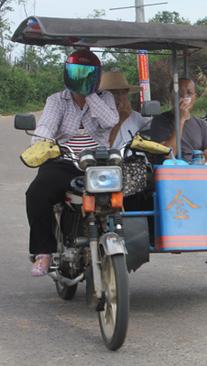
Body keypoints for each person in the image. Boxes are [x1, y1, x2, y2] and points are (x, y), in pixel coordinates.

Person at [26, 49, 118, 276]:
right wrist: (40, 141)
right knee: (36, 193)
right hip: (65, 160)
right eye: (77, 73)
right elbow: (46, 126)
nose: (81, 78)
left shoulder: (105, 97)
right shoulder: (57, 100)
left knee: (132, 191)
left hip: (98, 163)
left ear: (96, 76)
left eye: (87, 74)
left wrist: (89, 96)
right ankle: (44, 253)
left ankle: (118, 237)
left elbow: (110, 121)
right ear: (68, 74)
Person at [148, 78, 207, 162]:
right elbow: (168, 155)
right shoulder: (159, 121)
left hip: (196, 172)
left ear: (194, 97)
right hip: (170, 172)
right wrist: (181, 120)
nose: (185, 97)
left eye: (189, 93)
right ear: (171, 96)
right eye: (180, 94)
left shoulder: (201, 124)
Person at [99, 70, 150, 149]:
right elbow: (103, 150)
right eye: (114, 93)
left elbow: (152, 131)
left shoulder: (136, 117)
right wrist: (120, 120)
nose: (120, 97)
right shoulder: (96, 118)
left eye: (123, 93)